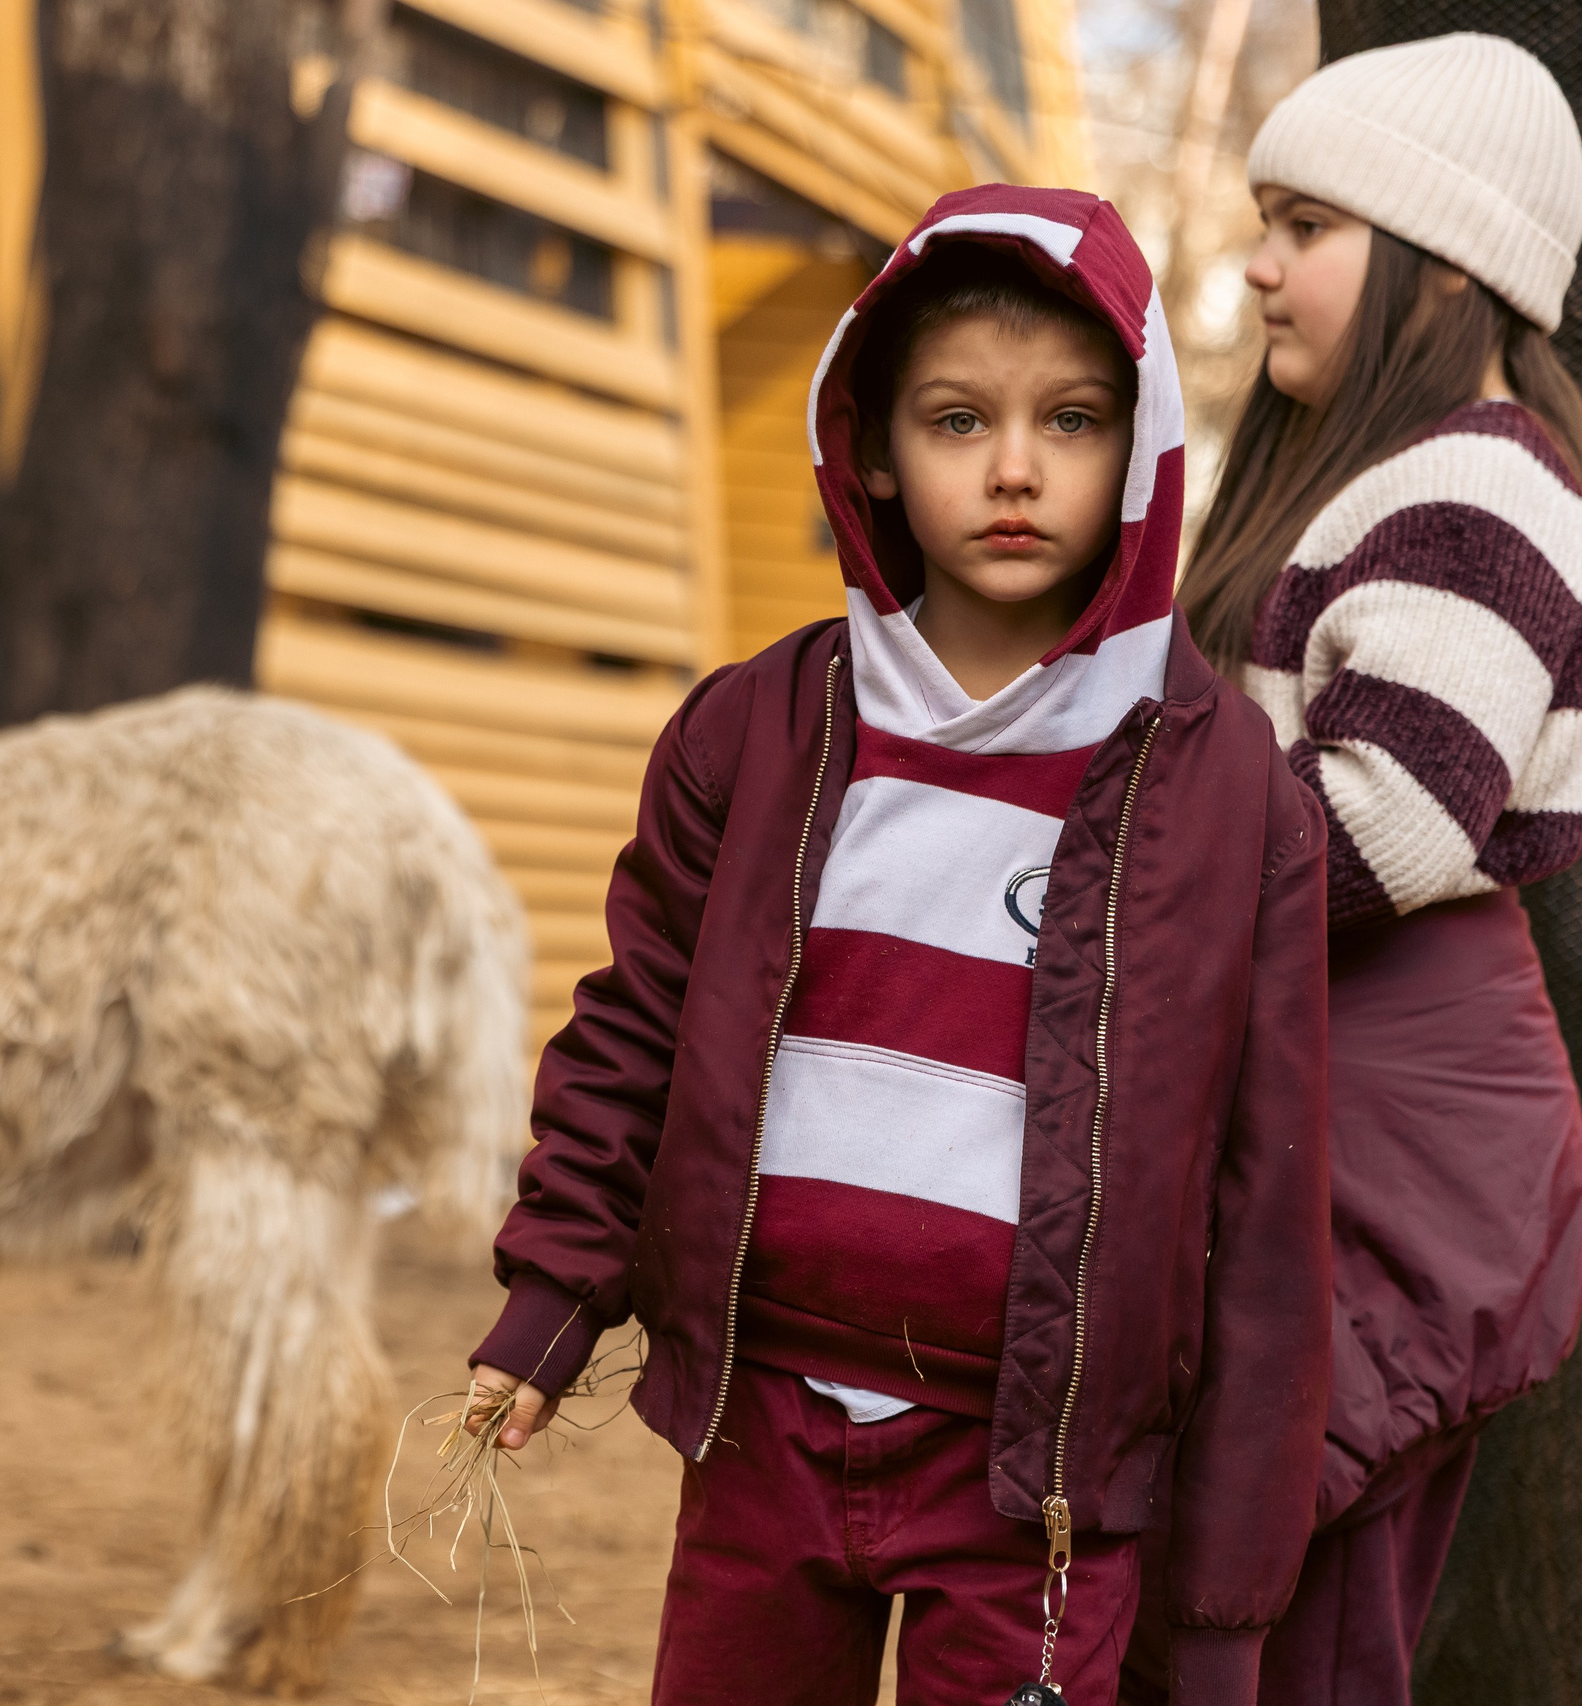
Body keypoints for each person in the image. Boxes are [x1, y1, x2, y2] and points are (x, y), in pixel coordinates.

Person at [461, 183, 1333, 1706]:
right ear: (867, 441)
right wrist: (552, 1295)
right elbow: (635, 1030)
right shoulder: (762, 731)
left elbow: (1265, 1208)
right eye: (955, 420)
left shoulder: (1227, 793)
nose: (1014, 469)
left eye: (1070, 421)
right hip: (765, 1426)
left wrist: (1227, 1600)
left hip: (1037, 1486)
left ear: (1143, 453)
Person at [1127, 33, 1582, 1706]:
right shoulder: (1373, 479)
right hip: (1327, 1097)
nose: (1258, 264)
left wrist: (1109, 862)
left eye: (1305, 225)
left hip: (1394, 1122)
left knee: (1305, 1631)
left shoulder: (1476, 483)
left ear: (1439, 255)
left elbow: (1379, 826)